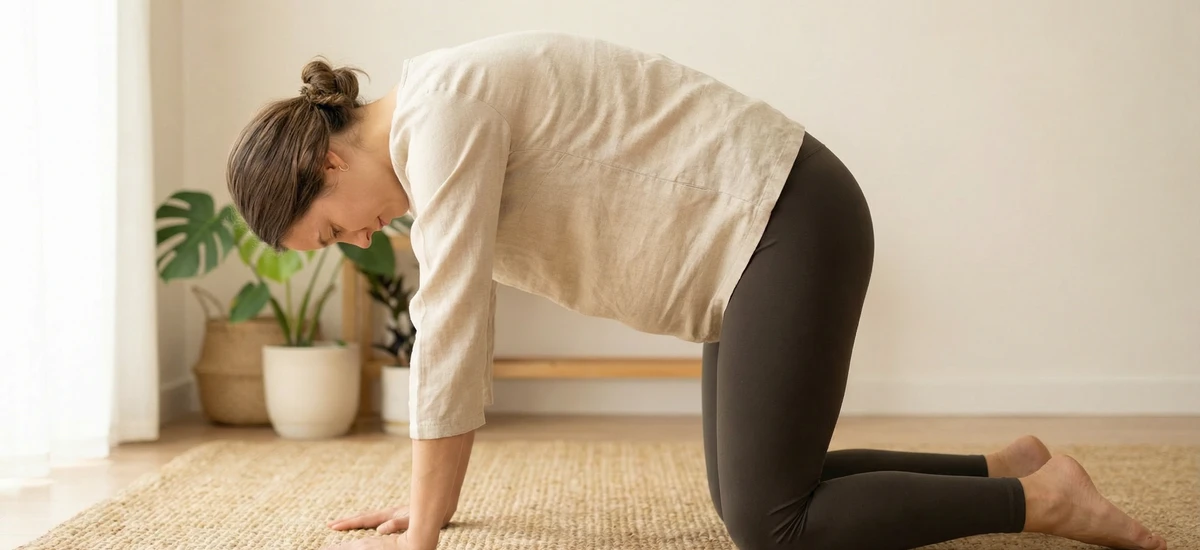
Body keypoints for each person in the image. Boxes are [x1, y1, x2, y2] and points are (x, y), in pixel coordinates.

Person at [225, 31, 1165, 550]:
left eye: (333, 225)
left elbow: (452, 321)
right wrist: (424, 500)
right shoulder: (432, 143)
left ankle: (1043, 508)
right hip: (745, 254)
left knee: (772, 526)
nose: (360, 240)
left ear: (325, 155)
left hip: (786, 219)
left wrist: (424, 526)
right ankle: (1006, 472)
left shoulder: (441, 113)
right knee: (753, 492)